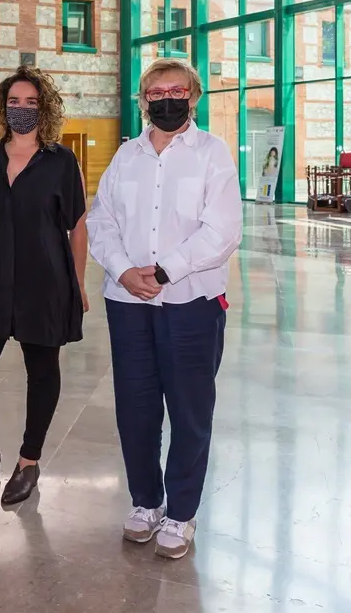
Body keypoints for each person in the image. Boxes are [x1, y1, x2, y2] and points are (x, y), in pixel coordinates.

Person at [87, 58, 243, 560]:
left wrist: (163, 271)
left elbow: (223, 230)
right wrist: (122, 270)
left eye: (177, 91)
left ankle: (182, 512)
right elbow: (101, 220)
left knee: (190, 410)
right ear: (143, 101)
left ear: (193, 97)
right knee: (135, 408)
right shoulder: (126, 156)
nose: (166, 100)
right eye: (156, 93)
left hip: (191, 302)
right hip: (128, 303)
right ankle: (146, 502)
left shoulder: (212, 154)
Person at [0, 66, 88, 507]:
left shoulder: (61, 161)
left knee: (41, 372)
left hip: (44, 281)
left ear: (43, 108)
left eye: (30, 102)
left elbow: (78, 227)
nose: (21, 109)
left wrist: (78, 283)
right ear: (2, 107)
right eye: (14, 102)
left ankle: (29, 461)